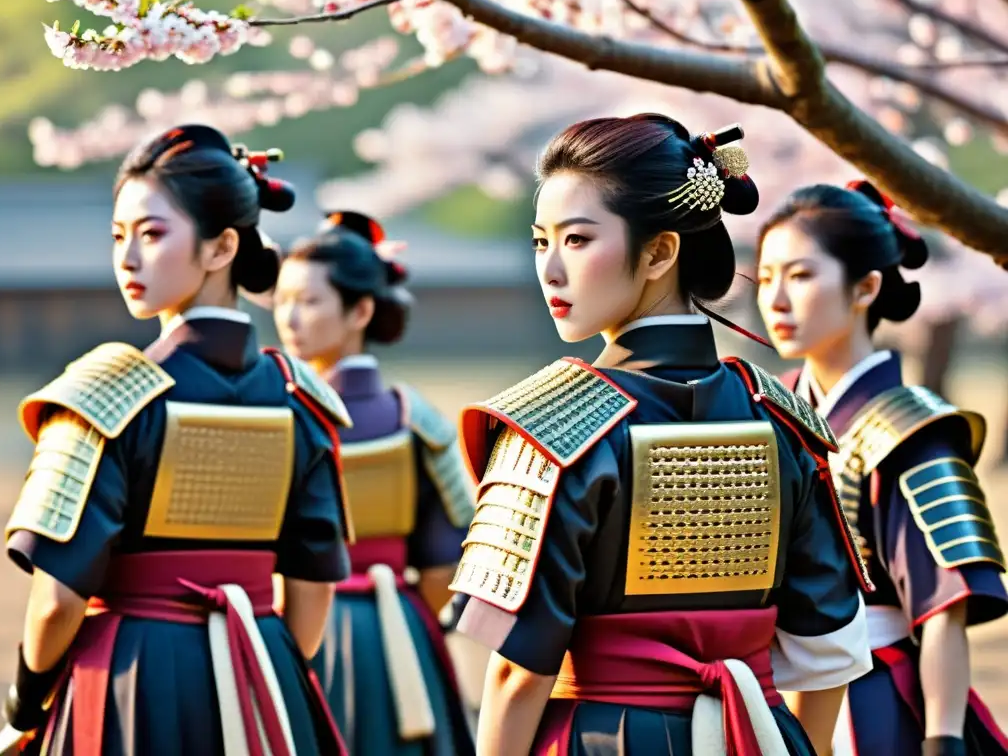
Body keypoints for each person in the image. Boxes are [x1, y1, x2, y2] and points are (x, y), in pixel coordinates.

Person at [447, 114, 874, 756]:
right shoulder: (781, 419)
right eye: (542, 243)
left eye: (578, 240)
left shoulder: (554, 427)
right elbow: (828, 654)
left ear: (660, 252)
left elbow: (517, 670)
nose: (551, 271)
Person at [0, 124, 352, 755]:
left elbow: (56, 602)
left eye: (152, 233)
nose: (127, 259)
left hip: (128, 675)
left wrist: (26, 700)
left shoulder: (107, 393)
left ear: (221, 248)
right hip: (261, 670)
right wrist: (266, 671)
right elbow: (312, 588)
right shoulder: (302, 398)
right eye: (117, 236)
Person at [756, 180, 1008, 756]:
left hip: (872, 697)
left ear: (866, 286)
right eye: (766, 277)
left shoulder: (910, 431)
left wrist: (942, 737)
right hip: (778, 686)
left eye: (800, 276)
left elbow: (942, 604)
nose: (776, 301)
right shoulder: (771, 411)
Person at [272, 211, 477, 755]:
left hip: (290, 627)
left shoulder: (276, 419)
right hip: (399, 633)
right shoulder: (416, 420)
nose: (290, 317)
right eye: (282, 300)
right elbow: (442, 568)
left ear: (361, 309)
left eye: (309, 301)